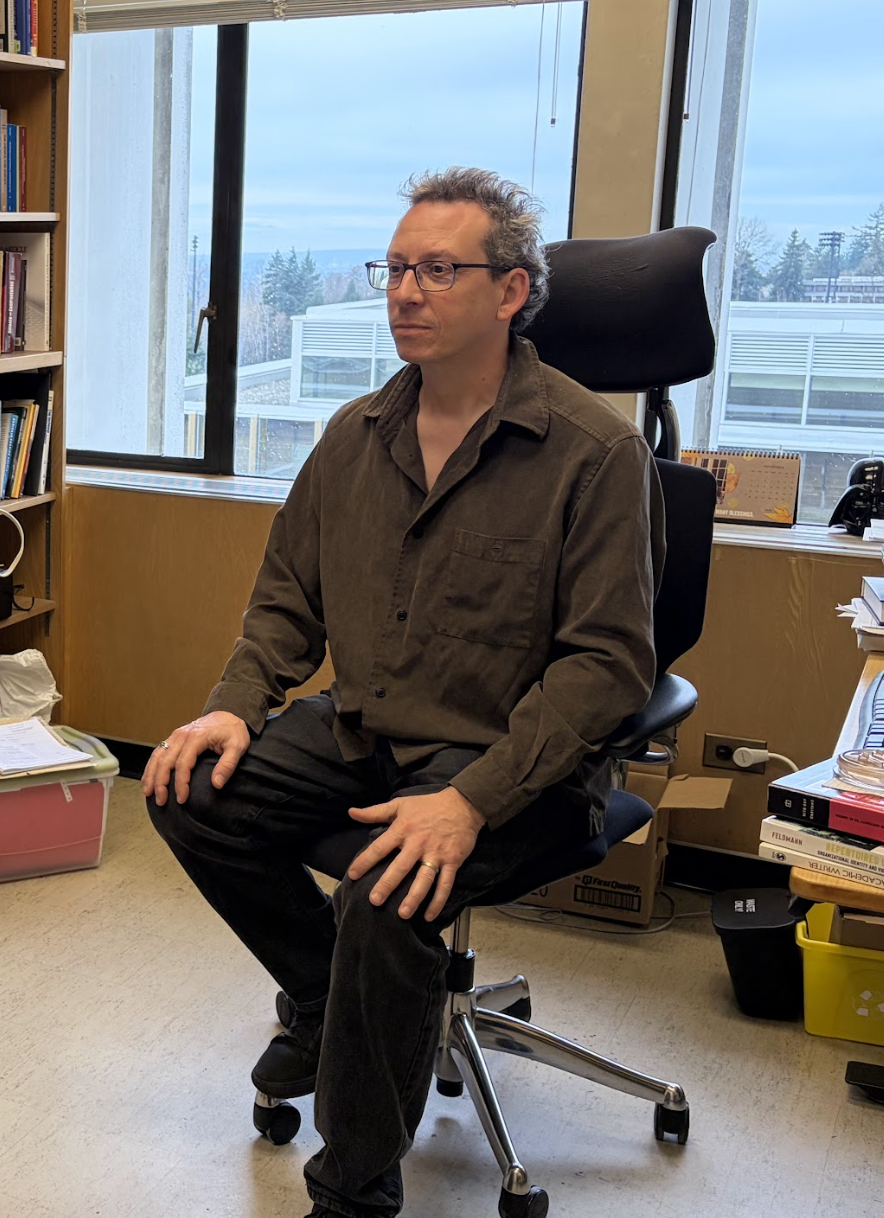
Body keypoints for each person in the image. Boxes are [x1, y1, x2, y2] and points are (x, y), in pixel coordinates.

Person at [143, 168, 664, 1218]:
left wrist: (468, 802)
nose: (403, 293)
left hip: (512, 767)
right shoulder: (354, 436)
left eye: (437, 270)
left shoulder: (593, 452)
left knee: (389, 891)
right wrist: (230, 708)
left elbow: (606, 667)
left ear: (510, 292)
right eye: (393, 270)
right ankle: (333, 998)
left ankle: (352, 1188)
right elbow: (286, 601)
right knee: (181, 787)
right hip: (362, 733)